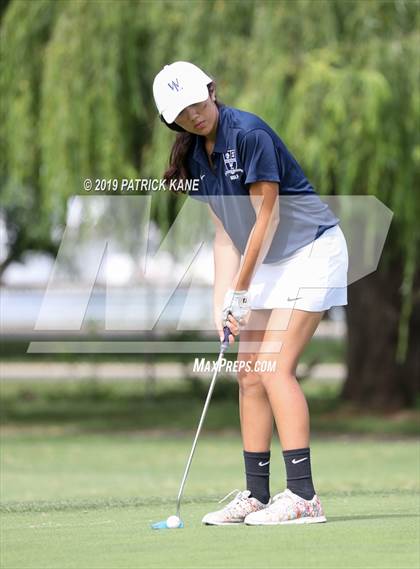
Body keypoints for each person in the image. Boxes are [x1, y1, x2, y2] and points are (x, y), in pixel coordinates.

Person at [152, 61, 348, 525]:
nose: (194, 115)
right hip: (267, 261)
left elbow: (268, 217)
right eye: (181, 112)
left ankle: (304, 496)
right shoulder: (198, 158)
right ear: (171, 121)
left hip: (312, 249)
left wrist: (243, 289)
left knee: (275, 366)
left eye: (197, 102)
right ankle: (256, 496)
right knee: (248, 373)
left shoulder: (249, 133)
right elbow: (225, 236)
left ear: (212, 91)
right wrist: (226, 302)